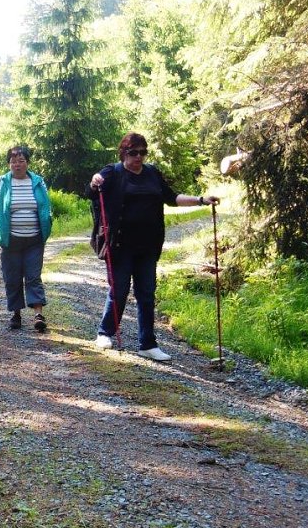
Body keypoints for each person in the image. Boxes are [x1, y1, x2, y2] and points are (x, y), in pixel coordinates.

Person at [87, 132, 219, 361]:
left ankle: (147, 344)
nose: (139, 157)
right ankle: (105, 333)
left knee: (146, 294)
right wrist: (94, 180)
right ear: (123, 153)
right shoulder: (113, 172)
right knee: (119, 290)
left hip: (148, 246)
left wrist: (200, 200)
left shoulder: (152, 173)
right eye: (133, 152)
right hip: (120, 245)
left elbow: (172, 198)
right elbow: (90, 192)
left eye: (143, 152)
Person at [0, 146, 52, 332]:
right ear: (9, 164)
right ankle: (16, 314)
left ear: (27, 163)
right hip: (9, 241)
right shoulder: (1, 182)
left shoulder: (38, 182)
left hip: (34, 240)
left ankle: (38, 315)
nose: (17, 165)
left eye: (21, 161)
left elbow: (46, 207)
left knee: (33, 277)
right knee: (12, 278)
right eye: (13, 161)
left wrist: (47, 224)